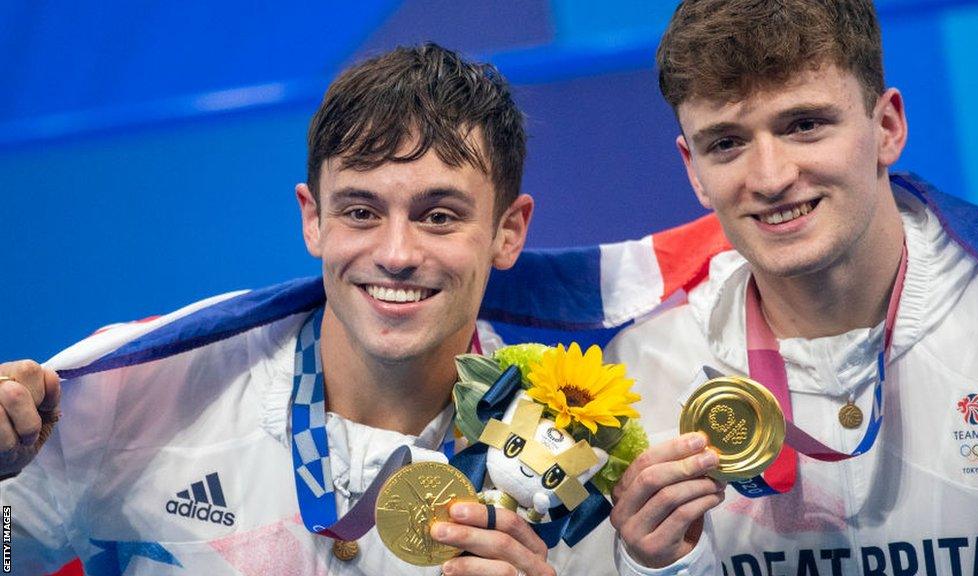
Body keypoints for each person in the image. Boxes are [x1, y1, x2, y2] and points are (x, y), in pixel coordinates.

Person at [0, 43, 590, 576]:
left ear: (507, 231)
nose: (397, 254)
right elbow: (7, 551)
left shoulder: (575, 457)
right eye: (361, 211)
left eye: (439, 216)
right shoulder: (142, 390)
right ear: (313, 219)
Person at [606, 1, 978, 574]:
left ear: (887, 128)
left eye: (803, 125)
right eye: (726, 143)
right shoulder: (637, 374)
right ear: (693, 170)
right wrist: (657, 567)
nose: (772, 178)